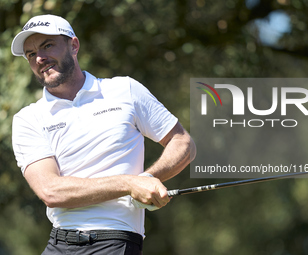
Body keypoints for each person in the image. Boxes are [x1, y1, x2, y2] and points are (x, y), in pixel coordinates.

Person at [11, 14, 196, 255]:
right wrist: (129, 183)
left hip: (114, 241)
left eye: (47, 45)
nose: (40, 58)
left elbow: (183, 142)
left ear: (73, 45)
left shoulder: (125, 90)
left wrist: (148, 178)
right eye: (31, 54)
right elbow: (50, 191)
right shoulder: (28, 118)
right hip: (59, 243)